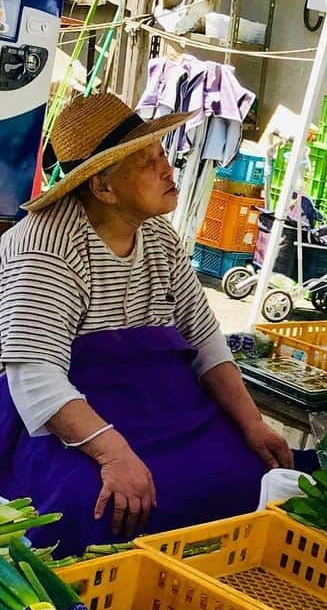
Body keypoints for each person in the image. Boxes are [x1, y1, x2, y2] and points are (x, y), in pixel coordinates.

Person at [0, 92, 292, 554]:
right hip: (64, 416)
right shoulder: (44, 246)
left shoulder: (159, 236)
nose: (167, 169)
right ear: (102, 187)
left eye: (162, 154)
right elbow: (36, 377)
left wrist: (252, 421)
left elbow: (205, 341)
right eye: (146, 161)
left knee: (244, 470)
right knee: (94, 504)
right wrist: (114, 455)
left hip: (157, 400)